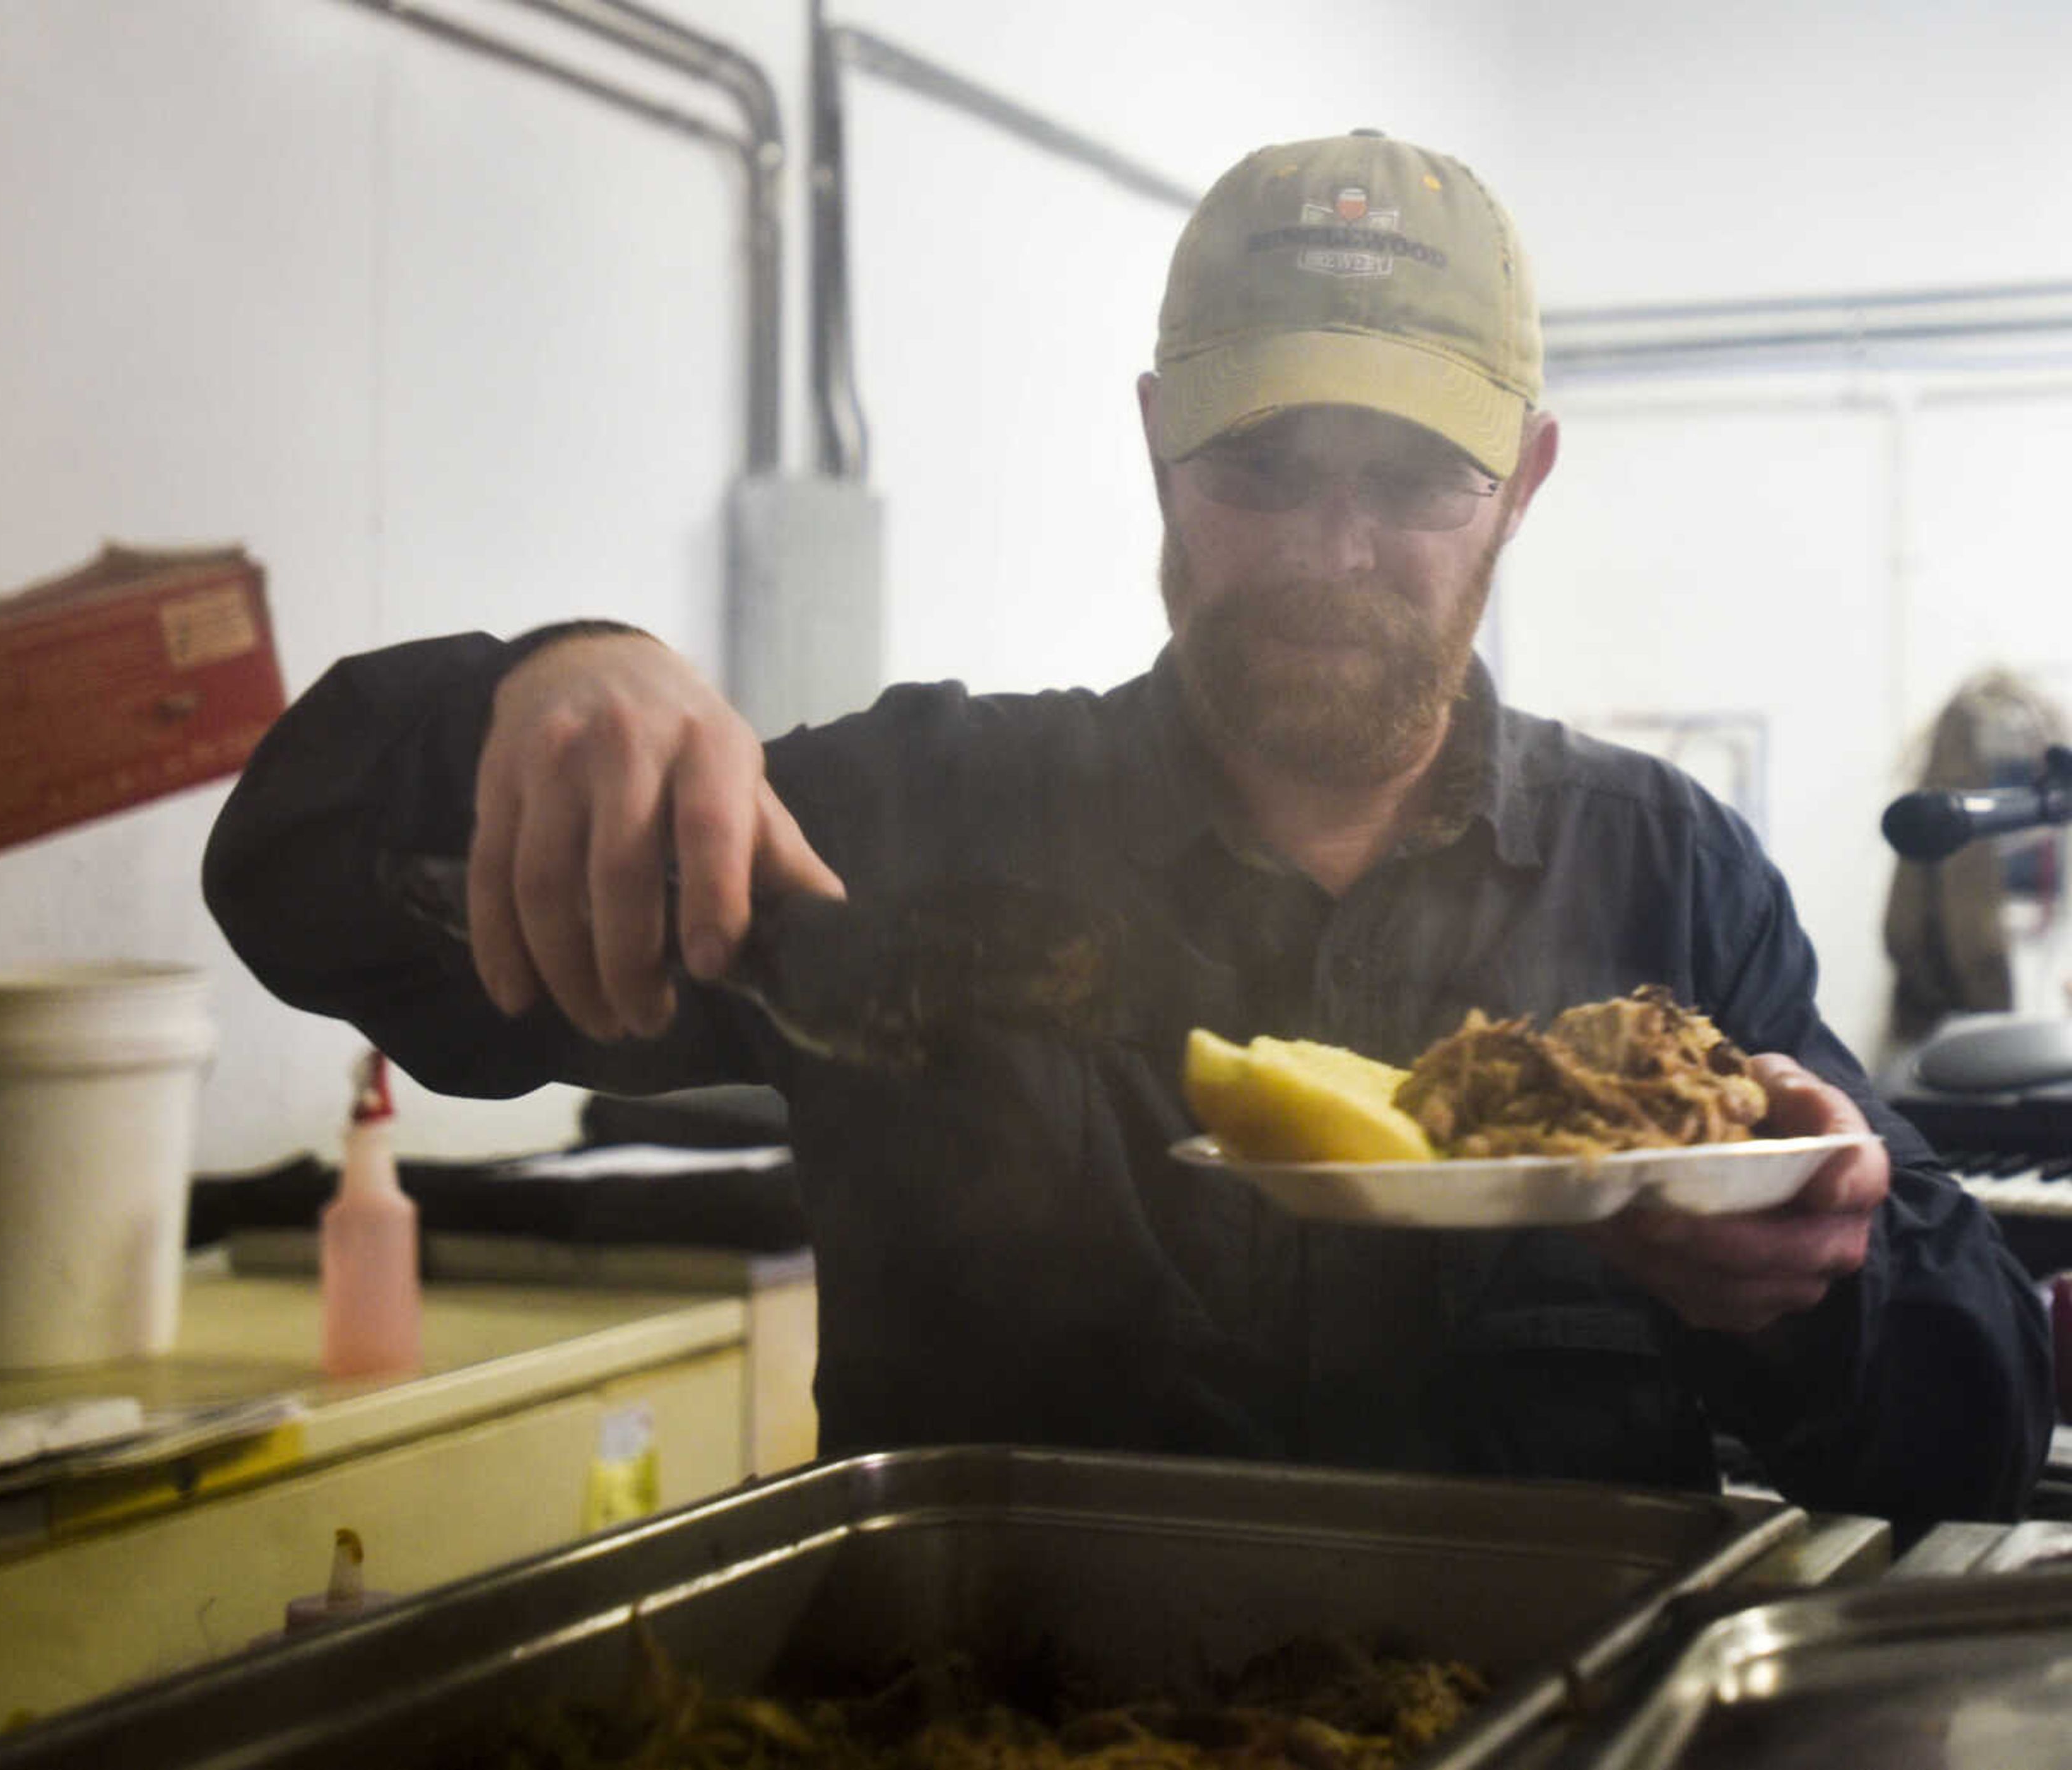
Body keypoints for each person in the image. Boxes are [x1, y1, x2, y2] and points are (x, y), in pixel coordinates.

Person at [205, 129, 2051, 1532]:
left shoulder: (1666, 877)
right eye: (1262, 470)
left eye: (1414, 481)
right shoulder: (901, 820)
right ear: (1160, 445)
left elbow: (1976, 1427)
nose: (1335, 556)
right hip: (1002, 1713)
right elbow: (297, 890)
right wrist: (537, 692)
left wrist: (1815, 1291)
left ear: (1523, 487)